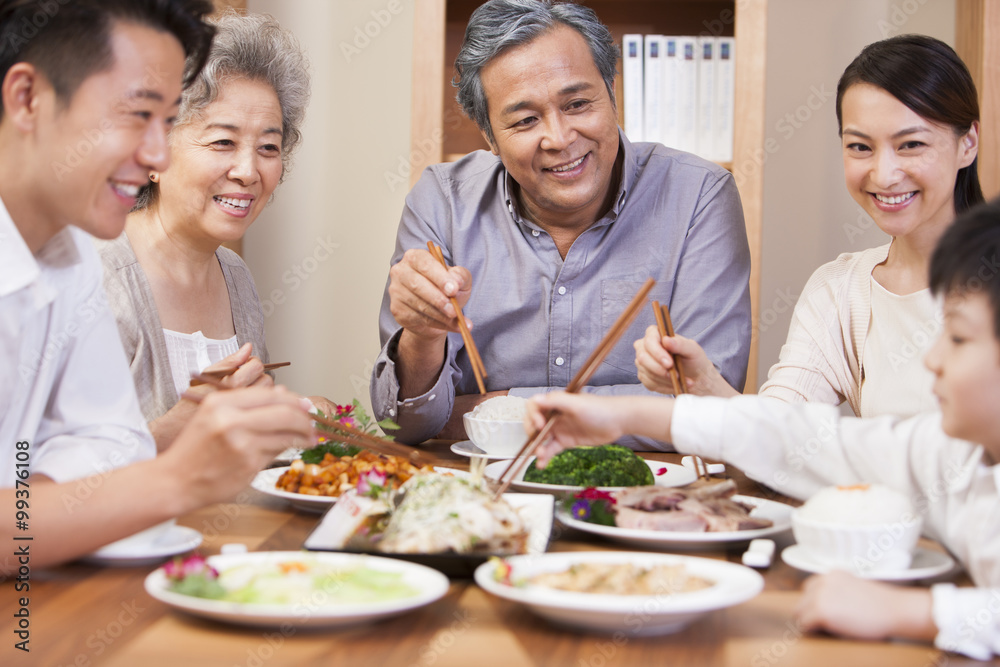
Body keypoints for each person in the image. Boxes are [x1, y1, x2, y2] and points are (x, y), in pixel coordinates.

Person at [526, 198, 1000, 659]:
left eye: (957, 337)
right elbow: (801, 438)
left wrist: (915, 613)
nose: (933, 359)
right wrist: (624, 415)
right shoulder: (950, 452)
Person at [0, 0, 316, 573]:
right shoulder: (97, 262)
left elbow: (98, 455)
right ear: (27, 99)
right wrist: (178, 475)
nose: (155, 154)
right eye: (137, 115)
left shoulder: (64, 263)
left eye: (166, 120)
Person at [371, 0, 751, 445]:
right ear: (490, 136)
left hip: (639, 493)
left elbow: (708, 411)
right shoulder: (444, 201)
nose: (560, 138)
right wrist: (423, 334)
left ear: (613, 93)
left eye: (577, 103)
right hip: (482, 496)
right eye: (526, 119)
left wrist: (502, 407)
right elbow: (410, 424)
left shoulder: (699, 196)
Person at [635, 34, 982, 418]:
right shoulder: (841, 290)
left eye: (911, 144)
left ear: (968, 143)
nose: (884, 176)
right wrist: (704, 384)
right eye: (860, 147)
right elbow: (781, 433)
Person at [97, 11, 330, 451]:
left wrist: (289, 414)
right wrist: (178, 428)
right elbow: (30, 484)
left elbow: (241, 442)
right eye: (223, 141)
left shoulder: (234, 275)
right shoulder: (93, 277)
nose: (248, 171)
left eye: (268, 147)